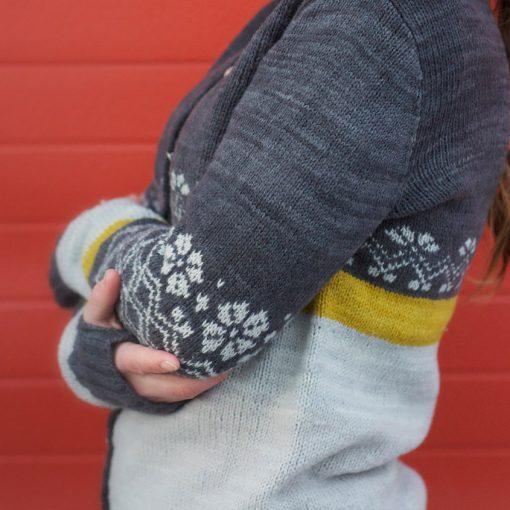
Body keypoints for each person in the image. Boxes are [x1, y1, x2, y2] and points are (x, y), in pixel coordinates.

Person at [49, 0, 510, 508]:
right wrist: (95, 355)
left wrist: (84, 235)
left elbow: (190, 318)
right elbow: (172, 285)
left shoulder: (378, 21)